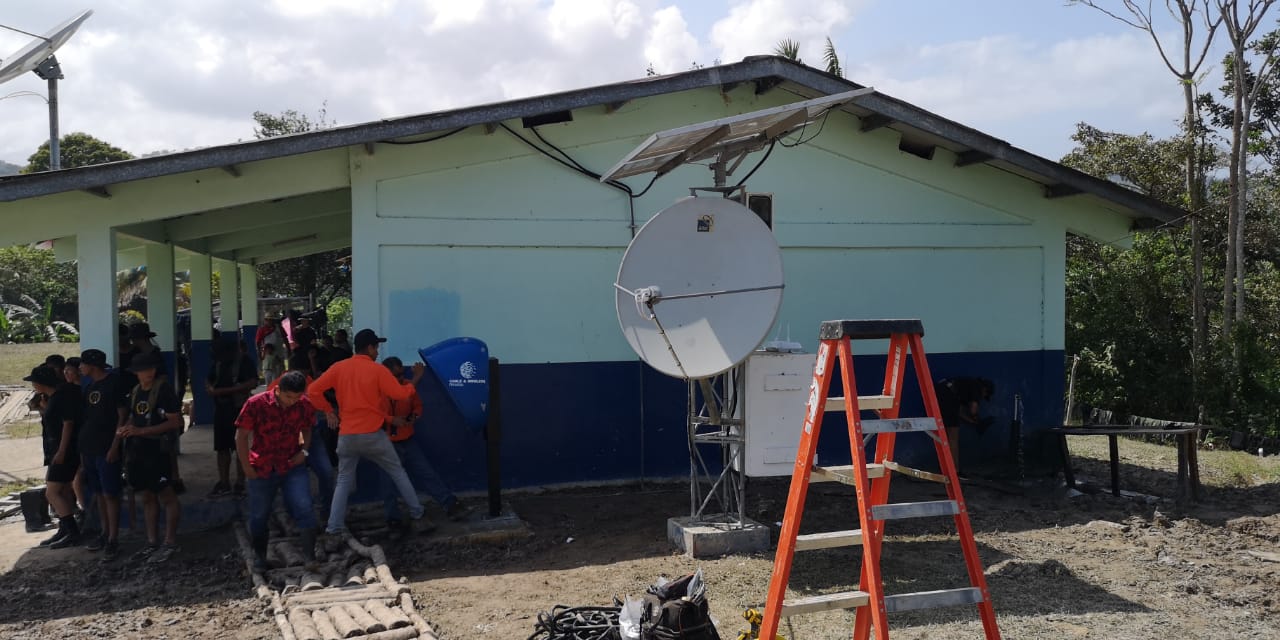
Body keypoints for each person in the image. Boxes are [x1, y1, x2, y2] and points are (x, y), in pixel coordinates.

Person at [307, 329, 434, 537]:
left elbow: (312, 390)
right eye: (376, 347)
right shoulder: (377, 370)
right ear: (369, 348)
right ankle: (418, 514)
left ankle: (333, 528)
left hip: (347, 436)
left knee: (343, 480)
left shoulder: (339, 368)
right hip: (373, 435)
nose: (377, 352)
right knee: (398, 473)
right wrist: (414, 382)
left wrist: (329, 411)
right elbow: (400, 394)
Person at [236, 371, 319, 572]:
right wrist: (247, 467)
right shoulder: (256, 404)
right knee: (259, 515)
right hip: (262, 467)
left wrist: (305, 451)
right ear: (278, 390)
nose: (292, 402)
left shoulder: (304, 405)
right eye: (289, 397)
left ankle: (310, 557)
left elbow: (308, 428)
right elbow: (241, 437)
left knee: (305, 506)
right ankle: (260, 558)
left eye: (297, 397)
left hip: (292, 465)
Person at [378, 357, 470, 536]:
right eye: (395, 375)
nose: (399, 378)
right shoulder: (381, 390)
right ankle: (393, 519)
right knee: (388, 483)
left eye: (401, 374)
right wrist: (391, 420)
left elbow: (417, 405)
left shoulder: (405, 385)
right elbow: (376, 412)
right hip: (387, 442)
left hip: (407, 438)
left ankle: (450, 504)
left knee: (426, 472)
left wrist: (414, 415)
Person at [119, 351, 182, 563]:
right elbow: (132, 417)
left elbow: (175, 422)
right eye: (143, 370)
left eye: (150, 369)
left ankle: (170, 541)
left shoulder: (164, 390)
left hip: (157, 451)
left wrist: (141, 431)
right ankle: (152, 541)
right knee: (146, 496)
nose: (148, 373)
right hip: (138, 452)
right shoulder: (136, 391)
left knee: (167, 495)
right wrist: (126, 429)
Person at [77, 349, 129, 560]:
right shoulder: (89, 386)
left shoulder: (113, 383)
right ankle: (104, 532)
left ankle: (113, 539)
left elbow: (122, 416)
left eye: (82, 364)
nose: (80, 368)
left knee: (110, 493)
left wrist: (115, 445)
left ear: (93, 365)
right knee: (99, 493)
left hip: (107, 447)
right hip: (89, 447)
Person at [25, 365, 83, 549]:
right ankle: (65, 529)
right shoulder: (53, 398)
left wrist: (62, 450)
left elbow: (68, 424)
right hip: (56, 449)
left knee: (52, 492)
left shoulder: (60, 397)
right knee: (63, 491)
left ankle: (72, 532)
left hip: (63, 450)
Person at [269, 361, 335, 518]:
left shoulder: (310, 382)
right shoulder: (276, 387)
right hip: (287, 438)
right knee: (289, 476)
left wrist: (328, 411)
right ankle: (292, 514)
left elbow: (318, 401)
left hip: (310, 435)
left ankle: (327, 512)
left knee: (326, 472)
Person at [207, 338, 259, 496]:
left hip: (238, 409)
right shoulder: (217, 363)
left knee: (240, 447)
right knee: (222, 448)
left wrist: (226, 391)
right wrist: (210, 388)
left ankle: (240, 482)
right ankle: (224, 482)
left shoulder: (244, 362)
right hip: (221, 409)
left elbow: (253, 382)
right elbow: (209, 380)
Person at [935, 377, 995, 472]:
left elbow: (959, 412)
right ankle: (954, 470)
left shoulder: (965, 387)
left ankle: (948, 468)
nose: (982, 398)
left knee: (948, 435)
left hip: (941, 392)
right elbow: (973, 410)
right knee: (953, 438)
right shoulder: (977, 388)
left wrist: (973, 422)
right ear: (985, 390)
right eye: (984, 396)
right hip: (947, 396)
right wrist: (977, 419)